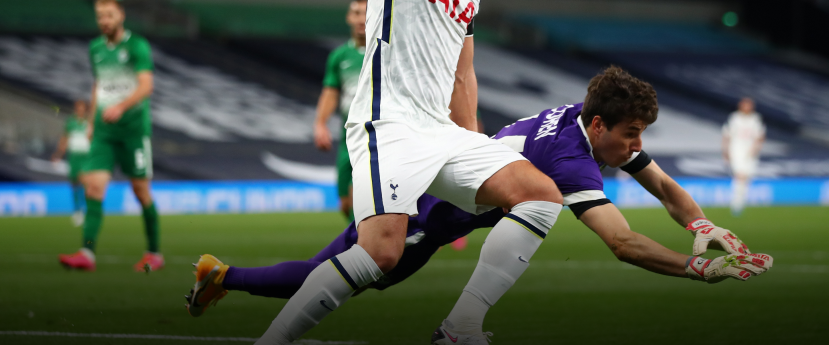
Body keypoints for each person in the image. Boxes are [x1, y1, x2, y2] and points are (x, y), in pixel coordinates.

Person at [250, 0, 565, 345]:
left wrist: (474, 143)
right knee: (381, 255)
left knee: (540, 195)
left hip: (440, 132)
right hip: (389, 125)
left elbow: (464, 72)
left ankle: (460, 327)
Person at [186, 67, 773, 334]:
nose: (637, 148)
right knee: (337, 274)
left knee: (337, 273)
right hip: (422, 215)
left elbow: (663, 185)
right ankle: (224, 275)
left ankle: (462, 324)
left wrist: (700, 224)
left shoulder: (579, 123)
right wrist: (698, 268)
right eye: (630, 136)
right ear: (599, 125)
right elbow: (621, 242)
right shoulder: (569, 160)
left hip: (437, 198)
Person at [58, 0, 162, 273]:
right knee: (93, 187)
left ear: (121, 16)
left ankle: (154, 253)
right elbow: (98, 85)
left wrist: (121, 106)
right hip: (104, 131)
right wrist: (92, 121)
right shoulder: (95, 49)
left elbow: (146, 86)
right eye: (100, 16)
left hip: (133, 131)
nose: (104, 20)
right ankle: (86, 253)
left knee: (141, 192)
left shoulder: (137, 46)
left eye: (109, 15)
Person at [313, 0, 367, 221]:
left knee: (359, 195)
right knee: (345, 203)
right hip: (349, 134)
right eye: (356, 13)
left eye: (367, 12)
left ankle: (366, 250)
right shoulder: (339, 56)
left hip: (375, 132)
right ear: (348, 18)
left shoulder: (387, 51)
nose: (361, 19)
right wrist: (320, 124)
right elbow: (331, 92)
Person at [722, 97, 766, 216]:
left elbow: (760, 135)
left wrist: (756, 148)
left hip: (750, 152)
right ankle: (736, 204)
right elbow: (727, 135)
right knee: (740, 176)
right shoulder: (734, 118)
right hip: (737, 150)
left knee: (746, 177)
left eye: (749, 105)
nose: (747, 107)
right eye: (745, 105)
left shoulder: (755, 118)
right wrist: (726, 151)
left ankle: (741, 202)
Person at [51, 99, 92, 227]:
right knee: (75, 183)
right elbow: (65, 139)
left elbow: (94, 139)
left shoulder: (89, 123)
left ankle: (86, 211)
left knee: (86, 184)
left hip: (86, 156)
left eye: (82, 108)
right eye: (78, 107)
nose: (80, 110)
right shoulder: (71, 122)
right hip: (74, 156)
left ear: (85, 109)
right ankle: (77, 211)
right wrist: (58, 154)